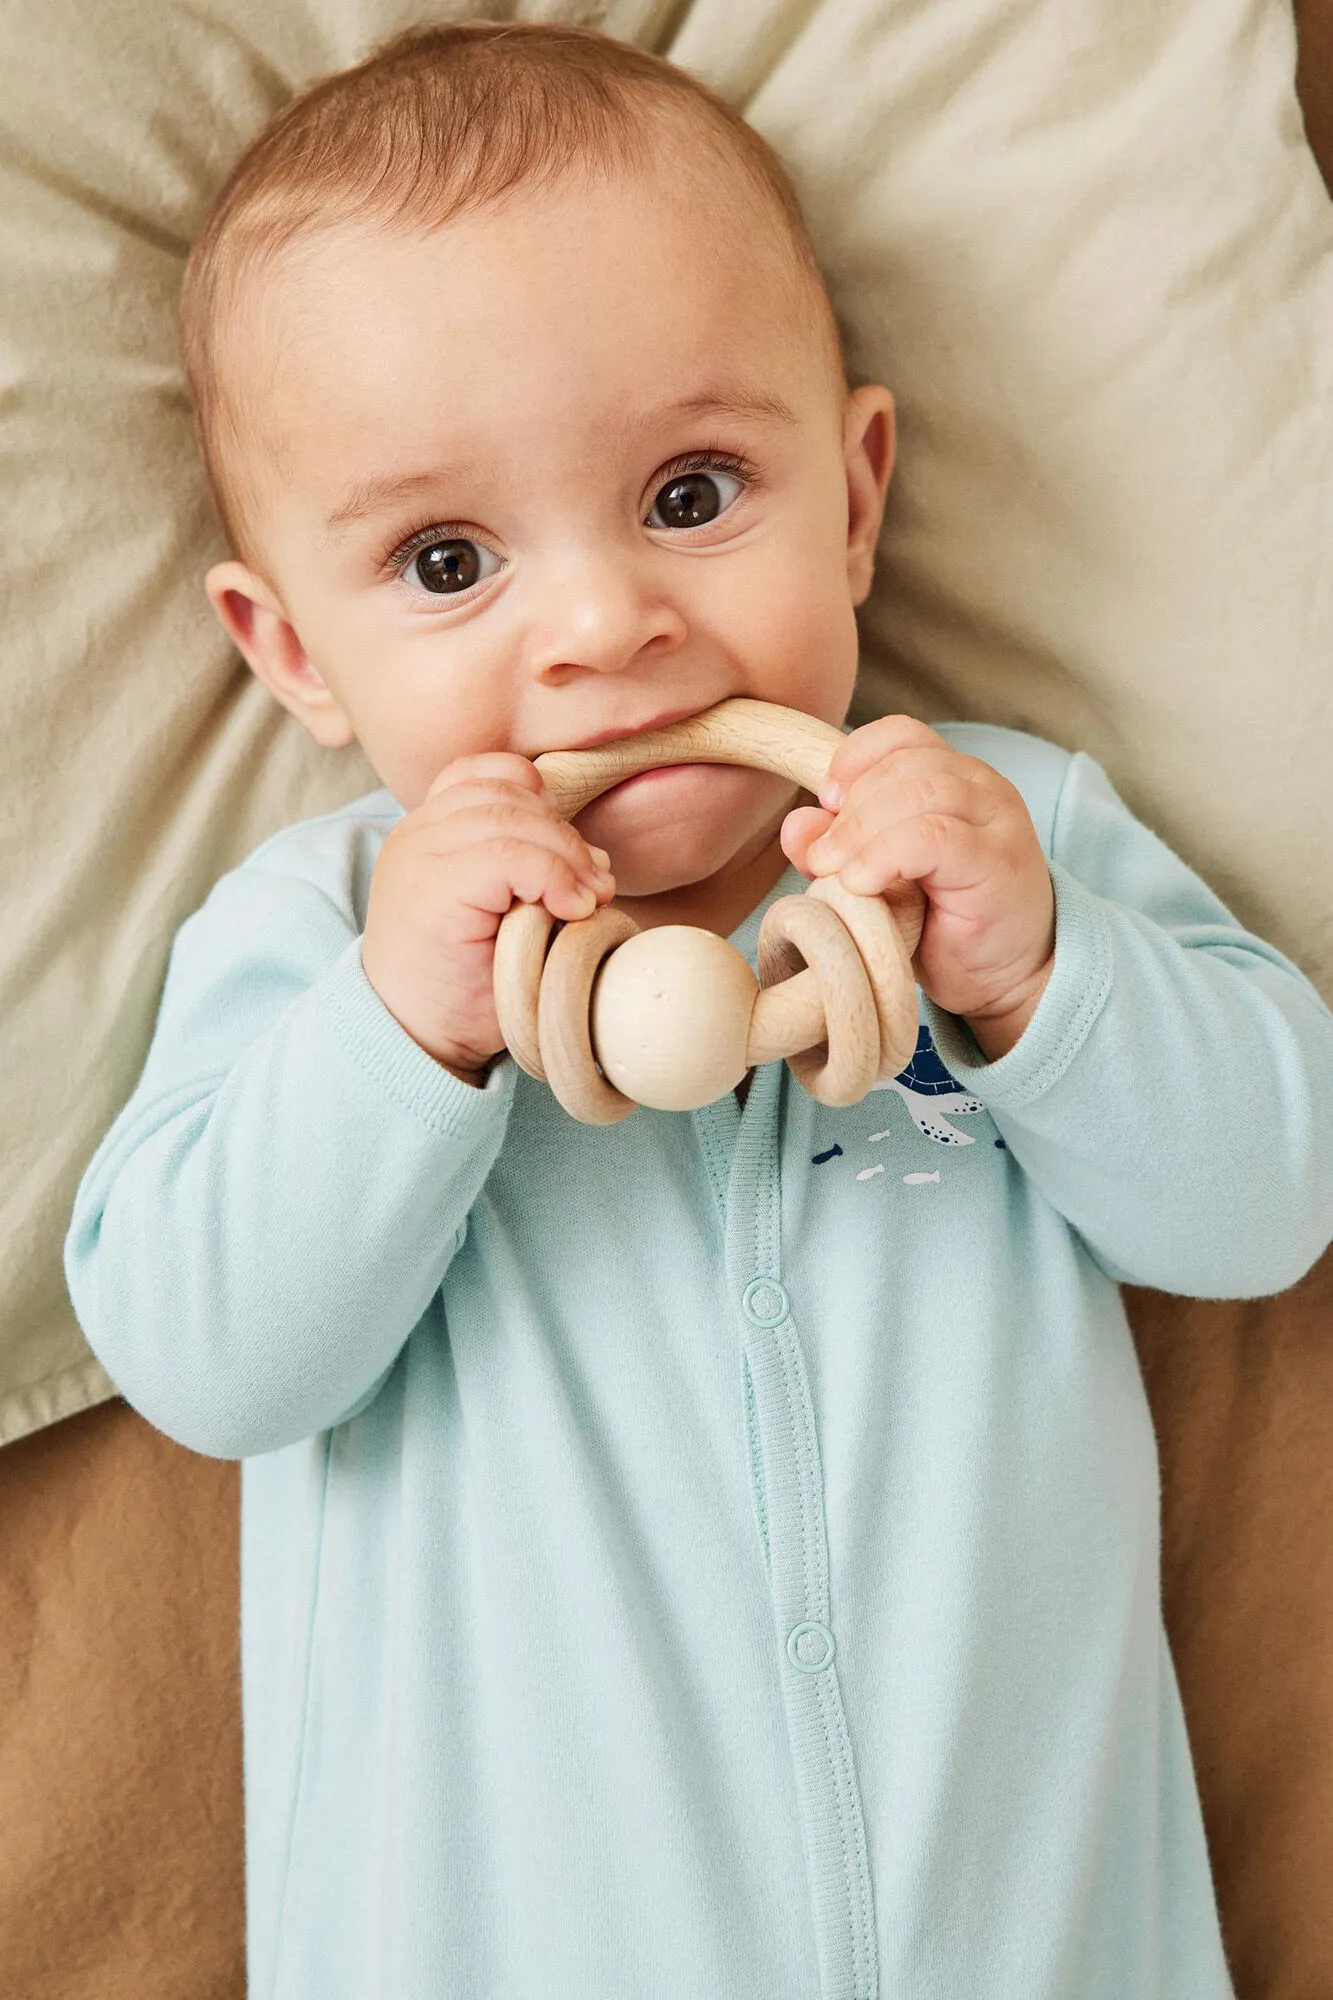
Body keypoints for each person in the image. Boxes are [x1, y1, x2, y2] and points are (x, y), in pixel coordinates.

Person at [63, 20, 1333, 2000]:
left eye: (688, 491)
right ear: (294, 650)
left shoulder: (988, 840)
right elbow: (207, 1358)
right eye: (449, 558)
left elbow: (1265, 1198)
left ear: (852, 498)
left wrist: (1039, 973)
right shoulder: (319, 940)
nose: (602, 628)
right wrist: (406, 1031)